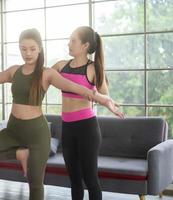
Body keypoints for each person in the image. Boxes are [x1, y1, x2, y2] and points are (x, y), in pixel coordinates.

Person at [0, 28, 123, 200]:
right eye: (23, 48)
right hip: (50, 127)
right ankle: (20, 153)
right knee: (74, 179)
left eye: (32, 49)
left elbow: (75, 87)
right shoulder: (50, 67)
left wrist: (105, 100)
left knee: (84, 179)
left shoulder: (81, 70)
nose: (27, 53)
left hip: (73, 127)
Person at [51, 26, 119, 200]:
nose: (69, 43)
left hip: (87, 129)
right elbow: (43, 78)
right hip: (66, 127)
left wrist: (101, 98)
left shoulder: (93, 69)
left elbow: (105, 96)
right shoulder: (60, 66)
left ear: (85, 46)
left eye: (73, 40)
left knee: (90, 179)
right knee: (74, 179)